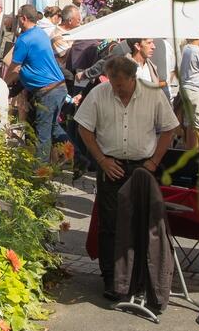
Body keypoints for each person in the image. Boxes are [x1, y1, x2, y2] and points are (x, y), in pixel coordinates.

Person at [74, 55, 180, 304]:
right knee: (110, 224)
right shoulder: (100, 93)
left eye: (120, 84)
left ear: (133, 78)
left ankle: (138, 278)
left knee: (143, 224)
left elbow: (169, 128)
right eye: (113, 82)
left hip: (142, 167)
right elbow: (84, 128)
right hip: (111, 165)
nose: (116, 89)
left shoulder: (152, 93)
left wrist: (153, 162)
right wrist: (101, 160)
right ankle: (112, 279)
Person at [6, 5, 70, 166]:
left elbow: (15, 68)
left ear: (23, 19)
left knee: (43, 133)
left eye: (18, 18)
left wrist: (3, 84)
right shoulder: (40, 33)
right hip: (58, 87)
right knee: (53, 126)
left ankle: (40, 172)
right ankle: (78, 157)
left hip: (48, 91)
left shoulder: (25, 39)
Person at [177, 38, 199, 144]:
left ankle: (190, 149)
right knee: (198, 124)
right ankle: (194, 151)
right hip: (197, 90)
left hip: (186, 88)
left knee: (190, 123)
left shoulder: (185, 48)